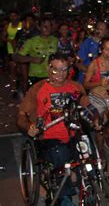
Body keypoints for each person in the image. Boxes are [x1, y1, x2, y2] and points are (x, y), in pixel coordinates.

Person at [17, 52, 90, 205]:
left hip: (74, 134)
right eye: (56, 69)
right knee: (60, 154)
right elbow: (22, 115)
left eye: (64, 69)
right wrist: (28, 126)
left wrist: (95, 116)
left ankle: (88, 186)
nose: (60, 74)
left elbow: (86, 105)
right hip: (49, 138)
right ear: (48, 68)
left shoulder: (75, 87)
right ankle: (63, 198)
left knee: (88, 155)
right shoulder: (38, 89)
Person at [83, 37, 109, 153]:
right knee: (99, 127)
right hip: (97, 98)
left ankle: (106, 134)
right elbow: (85, 84)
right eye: (107, 50)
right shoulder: (94, 64)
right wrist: (99, 83)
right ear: (101, 49)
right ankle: (100, 151)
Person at [16, 18, 59, 87]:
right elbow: (17, 57)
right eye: (44, 26)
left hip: (53, 75)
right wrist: (31, 59)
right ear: (39, 27)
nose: (47, 28)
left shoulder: (56, 40)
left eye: (49, 26)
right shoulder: (31, 41)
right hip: (36, 77)